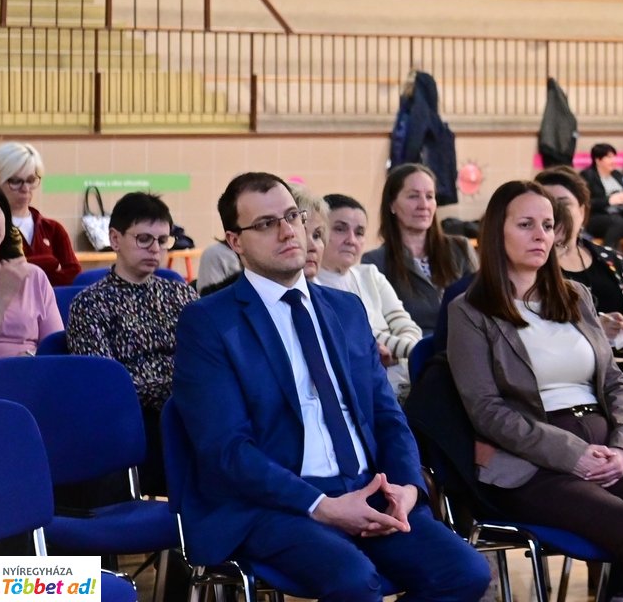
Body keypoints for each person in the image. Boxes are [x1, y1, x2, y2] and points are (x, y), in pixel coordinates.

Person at [171, 171, 490, 601]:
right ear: (235, 241)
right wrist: (321, 506)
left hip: (369, 491)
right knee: (354, 580)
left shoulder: (346, 308)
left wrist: (406, 486)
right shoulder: (210, 322)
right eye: (266, 224)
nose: (287, 231)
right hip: (277, 505)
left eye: (291, 216)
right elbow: (226, 449)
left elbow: (386, 414)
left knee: (465, 572)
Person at [449, 180, 623, 602]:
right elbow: (487, 410)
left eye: (547, 225)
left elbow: (615, 383)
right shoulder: (471, 310)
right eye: (526, 224)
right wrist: (571, 454)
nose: (540, 236)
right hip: (533, 461)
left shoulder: (576, 296)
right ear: (497, 232)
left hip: (605, 447)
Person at [65, 191, 194, 494]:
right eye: (144, 239)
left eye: (163, 241)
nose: (155, 250)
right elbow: (105, 383)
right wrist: (174, 388)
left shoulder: (182, 295)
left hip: (187, 403)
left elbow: (204, 358)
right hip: (133, 414)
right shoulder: (90, 303)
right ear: (115, 238)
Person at [316, 194, 424, 399]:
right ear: (319, 232)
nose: (351, 240)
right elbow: (364, 336)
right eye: (340, 229)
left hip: (406, 383)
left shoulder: (370, 274)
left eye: (359, 232)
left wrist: (403, 352)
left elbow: (406, 325)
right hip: (362, 392)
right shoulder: (313, 285)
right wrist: (417, 353)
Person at [363, 163, 476, 337]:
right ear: (392, 204)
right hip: (411, 354)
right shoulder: (375, 262)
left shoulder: (460, 248)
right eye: (413, 196)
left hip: (465, 344)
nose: (423, 205)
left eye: (430, 196)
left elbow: (480, 304)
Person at [0, 174, 61, 369]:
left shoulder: (34, 276)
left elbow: (55, 349)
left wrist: (30, 361)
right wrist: (3, 294)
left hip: (32, 379)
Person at [536, 168, 623, 346]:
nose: (555, 214)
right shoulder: (530, 269)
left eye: (564, 204)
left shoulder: (614, 261)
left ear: (582, 211)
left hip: (620, 367)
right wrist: (593, 330)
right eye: (547, 205)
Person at [0, 141, 79, 285]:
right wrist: (51, 263)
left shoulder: (53, 229)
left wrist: (27, 268)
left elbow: (73, 276)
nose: (25, 188)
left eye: (31, 180)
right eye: (15, 181)